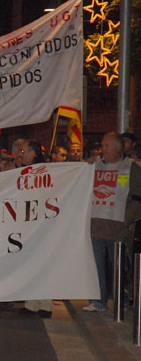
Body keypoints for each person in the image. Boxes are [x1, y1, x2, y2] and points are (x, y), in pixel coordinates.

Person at [83, 133, 141, 312]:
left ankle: (121, 300)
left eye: (106, 146)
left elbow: (137, 197)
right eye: (102, 146)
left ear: (117, 148)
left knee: (119, 267)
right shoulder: (95, 165)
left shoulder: (131, 168)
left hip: (118, 228)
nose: (103, 149)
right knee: (96, 266)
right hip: (97, 225)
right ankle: (97, 300)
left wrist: (127, 219)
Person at [18, 139, 53, 318]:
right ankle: (31, 303)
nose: (21, 155)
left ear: (34, 153)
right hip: (29, 222)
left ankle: (45, 304)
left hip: (42, 223)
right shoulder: (24, 171)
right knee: (30, 263)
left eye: (24, 152)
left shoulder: (44, 172)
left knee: (42, 263)